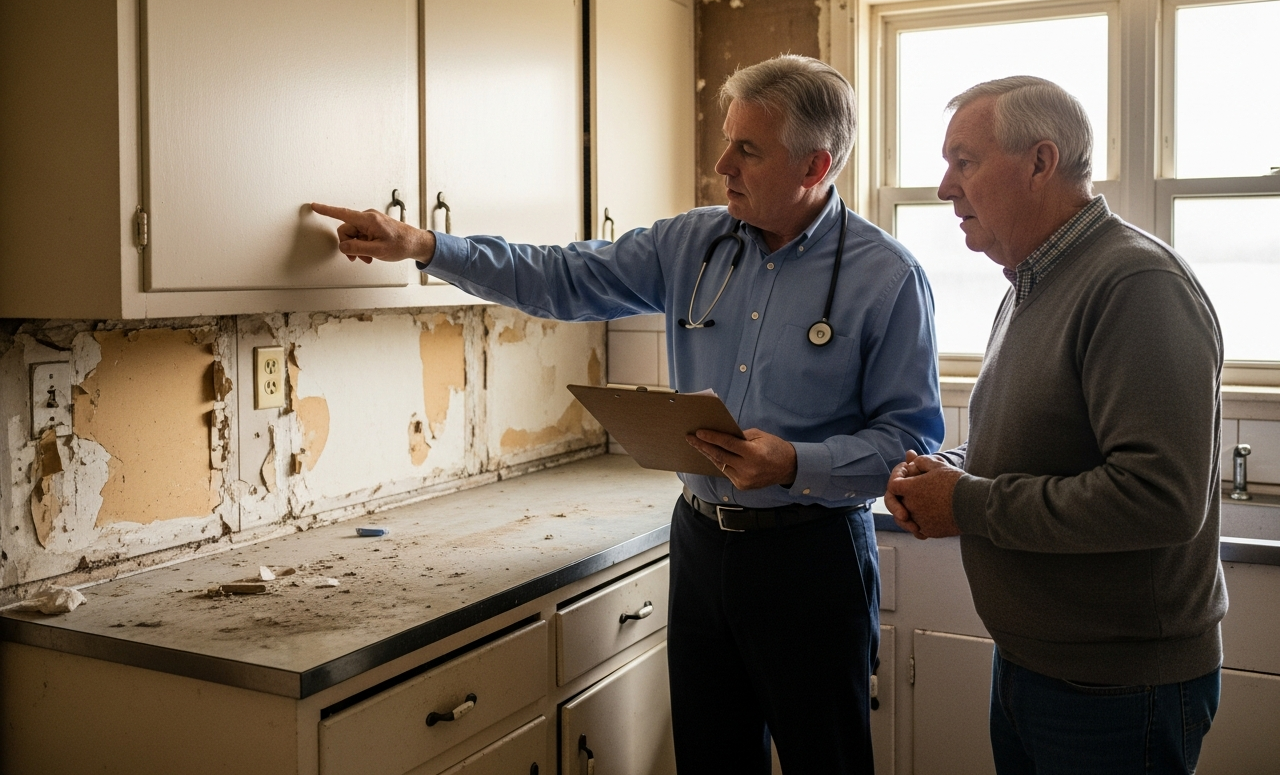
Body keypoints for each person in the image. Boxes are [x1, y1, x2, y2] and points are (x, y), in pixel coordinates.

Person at [314, 54, 943, 774]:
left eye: (747, 149)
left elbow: (910, 445)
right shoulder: (692, 243)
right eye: (726, 139)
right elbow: (562, 277)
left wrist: (796, 462)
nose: (720, 164)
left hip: (812, 557)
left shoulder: (887, 278)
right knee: (710, 757)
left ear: (814, 166)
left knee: (824, 759)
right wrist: (425, 245)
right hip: (703, 545)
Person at [885, 76, 1226, 775]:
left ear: (1040, 162)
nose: (944, 187)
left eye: (964, 161)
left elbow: (1158, 498)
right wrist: (952, 467)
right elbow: (1042, 442)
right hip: (1036, 667)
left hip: (1116, 689)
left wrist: (965, 501)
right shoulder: (1033, 284)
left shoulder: (1134, 284)